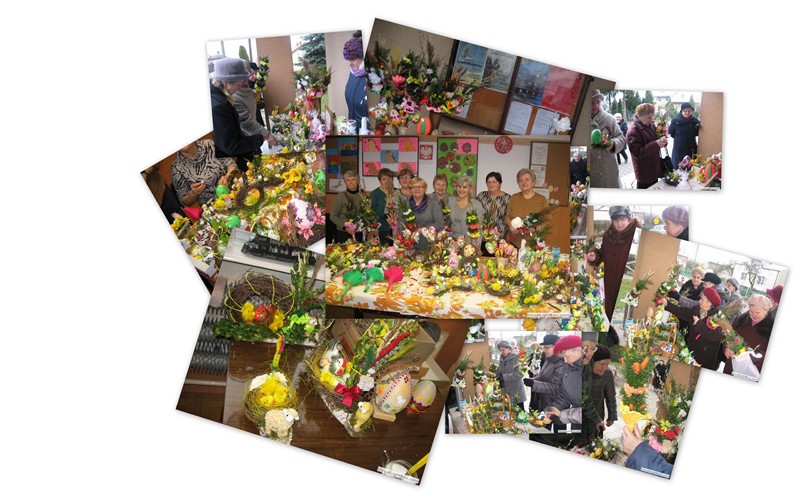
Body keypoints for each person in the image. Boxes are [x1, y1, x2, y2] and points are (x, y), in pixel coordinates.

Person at [586, 206, 641, 344]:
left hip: (627, 284)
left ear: (629, 219)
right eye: (616, 220)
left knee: (625, 314)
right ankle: (607, 340)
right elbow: (602, 253)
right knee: (608, 312)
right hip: (609, 281)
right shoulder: (608, 236)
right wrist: (594, 255)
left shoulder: (637, 235)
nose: (619, 223)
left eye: (622, 219)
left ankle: (621, 341)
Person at [209, 58, 272, 170]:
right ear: (227, 82)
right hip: (231, 161)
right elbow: (232, 145)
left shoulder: (221, 97)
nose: (240, 88)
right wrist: (260, 138)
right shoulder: (219, 106)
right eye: (239, 84)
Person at [665, 287, 723, 370]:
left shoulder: (717, 317)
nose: (699, 301)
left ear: (710, 303)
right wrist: (667, 304)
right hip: (692, 349)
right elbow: (683, 313)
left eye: (702, 300)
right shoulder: (697, 309)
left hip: (704, 357)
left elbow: (715, 336)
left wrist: (699, 324)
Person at [171, 139, 238, 207]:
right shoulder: (176, 167)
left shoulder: (209, 144)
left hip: (234, 195)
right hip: (214, 208)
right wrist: (194, 193)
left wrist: (227, 177)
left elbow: (231, 163)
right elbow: (185, 202)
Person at [723, 294, 774, 376]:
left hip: (752, 370)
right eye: (751, 311)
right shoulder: (740, 320)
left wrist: (753, 357)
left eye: (757, 312)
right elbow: (728, 335)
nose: (753, 314)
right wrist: (727, 347)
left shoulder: (771, 327)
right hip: (731, 365)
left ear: (766, 312)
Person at [587, 89, 625, 188]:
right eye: (591, 103)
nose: (595, 106)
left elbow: (621, 138)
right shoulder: (581, 122)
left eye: (598, 102)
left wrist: (611, 144)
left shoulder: (610, 119)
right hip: (592, 172)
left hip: (609, 170)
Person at [627, 103, 668, 189]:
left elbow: (657, 137)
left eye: (652, 116)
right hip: (644, 170)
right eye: (649, 117)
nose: (652, 119)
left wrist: (663, 139)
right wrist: (656, 144)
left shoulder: (650, 124)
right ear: (640, 116)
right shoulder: (633, 131)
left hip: (654, 166)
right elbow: (637, 153)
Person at [504, 168, 549, 248]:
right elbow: (507, 216)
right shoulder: (514, 197)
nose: (523, 183)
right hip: (514, 242)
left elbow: (548, 221)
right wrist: (510, 225)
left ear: (533, 182)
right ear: (518, 183)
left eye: (527, 180)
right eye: (520, 180)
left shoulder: (541, 199)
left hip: (534, 243)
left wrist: (535, 228)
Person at [232, 65, 273, 140]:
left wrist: (259, 99)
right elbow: (246, 122)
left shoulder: (250, 91)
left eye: (247, 77)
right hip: (245, 138)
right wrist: (267, 134)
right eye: (242, 79)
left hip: (254, 130)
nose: (245, 81)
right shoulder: (235, 98)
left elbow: (259, 105)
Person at [448, 176, 486, 249]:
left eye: (465, 187)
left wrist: (476, 246)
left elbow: (479, 227)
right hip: (450, 242)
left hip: (468, 243)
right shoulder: (449, 201)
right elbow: (444, 223)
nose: (461, 189)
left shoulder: (476, 205)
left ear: (470, 189)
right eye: (459, 186)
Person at [330, 170, 367, 242]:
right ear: (345, 182)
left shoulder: (363, 196)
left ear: (357, 181)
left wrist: (366, 227)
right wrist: (345, 227)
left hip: (359, 232)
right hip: (344, 233)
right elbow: (333, 216)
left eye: (353, 179)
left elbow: (365, 214)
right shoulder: (341, 196)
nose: (350, 182)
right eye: (348, 180)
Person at [476, 172, 511, 247]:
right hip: (482, 237)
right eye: (488, 182)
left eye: (494, 182)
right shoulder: (481, 196)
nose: (491, 184)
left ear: (500, 183)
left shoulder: (507, 198)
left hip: (499, 237)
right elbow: (476, 213)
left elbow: (509, 217)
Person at [342, 31, 368, 129]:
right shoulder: (354, 73)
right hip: (353, 130)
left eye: (353, 59)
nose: (350, 63)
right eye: (349, 59)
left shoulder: (374, 78)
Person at [407, 177, 444, 242]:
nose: (417, 189)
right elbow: (401, 224)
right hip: (410, 242)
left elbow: (440, 224)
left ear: (425, 189)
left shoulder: (433, 203)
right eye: (414, 187)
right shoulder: (405, 204)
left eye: (420, 187)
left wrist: (422, 230)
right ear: (410, 190)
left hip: (430, 242)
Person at [591, 345, 617, 435]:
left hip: (598, 416)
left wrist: (612, 416)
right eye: (602, 364)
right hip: (580, 417)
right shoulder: (582, 373)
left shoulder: (608, 374)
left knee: (596, 440)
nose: (605, 368)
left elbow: (611, 396)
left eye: (607, 364)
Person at [668, 102, 701, 170]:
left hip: (691, 148)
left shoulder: (694, 120)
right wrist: (679, 139)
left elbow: (698, 133)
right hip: (679, 149)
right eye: (685, 111)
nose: (687, 112)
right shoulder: (675, 120)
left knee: (691, 167)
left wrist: (696, 128)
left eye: (689, 111)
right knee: (679, 168)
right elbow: (670, 132)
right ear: (681, 111)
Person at [370, 168, 398, 245]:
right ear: (380, 181)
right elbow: (371, 213)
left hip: (397, 228)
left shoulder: (398, 192)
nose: (387, 181)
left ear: (392, 180)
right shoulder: (375, 194)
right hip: (381, 229)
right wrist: (373, 228)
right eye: (384, 179)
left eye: (389, 178)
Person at [496, 340, 526, 411]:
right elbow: (500, 371)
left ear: (509, 349)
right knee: (508, 412)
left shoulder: (517, 357)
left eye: (503, 350)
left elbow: (519, 373)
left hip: (516, 390)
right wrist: (497, 375)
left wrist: (504, 377)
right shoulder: (501, 358)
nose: (501, 352)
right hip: (506, 390)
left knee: (519, 412)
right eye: (500, 350)